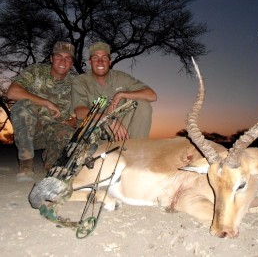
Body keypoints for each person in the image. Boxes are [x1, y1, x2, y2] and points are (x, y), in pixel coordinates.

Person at [6, 41, 77, 182]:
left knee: (69, 134)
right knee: (22, 106)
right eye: (58, 56)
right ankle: (26, 163)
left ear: (72, 62)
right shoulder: (36, 71)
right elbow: (12, 92)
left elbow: (78, 111)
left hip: (52, 132)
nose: (63, 61)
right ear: (51, 58)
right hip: (29, 132)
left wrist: (72, 121)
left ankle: (51, 162)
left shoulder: (75, 83)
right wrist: (47, 103)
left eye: (68, 58)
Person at [71, 41, 157, 141]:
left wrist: (120, 94)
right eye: (95, 58)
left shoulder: (121, 77)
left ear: (110, 62)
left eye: (104, 57)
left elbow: (152, 95)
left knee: (143, 105)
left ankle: (137, 148)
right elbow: (79, 112)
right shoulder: (80, 81)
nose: (100, 61)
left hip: (120, 126)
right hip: (95, 126)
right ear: (90, 62)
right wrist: (107, 119)